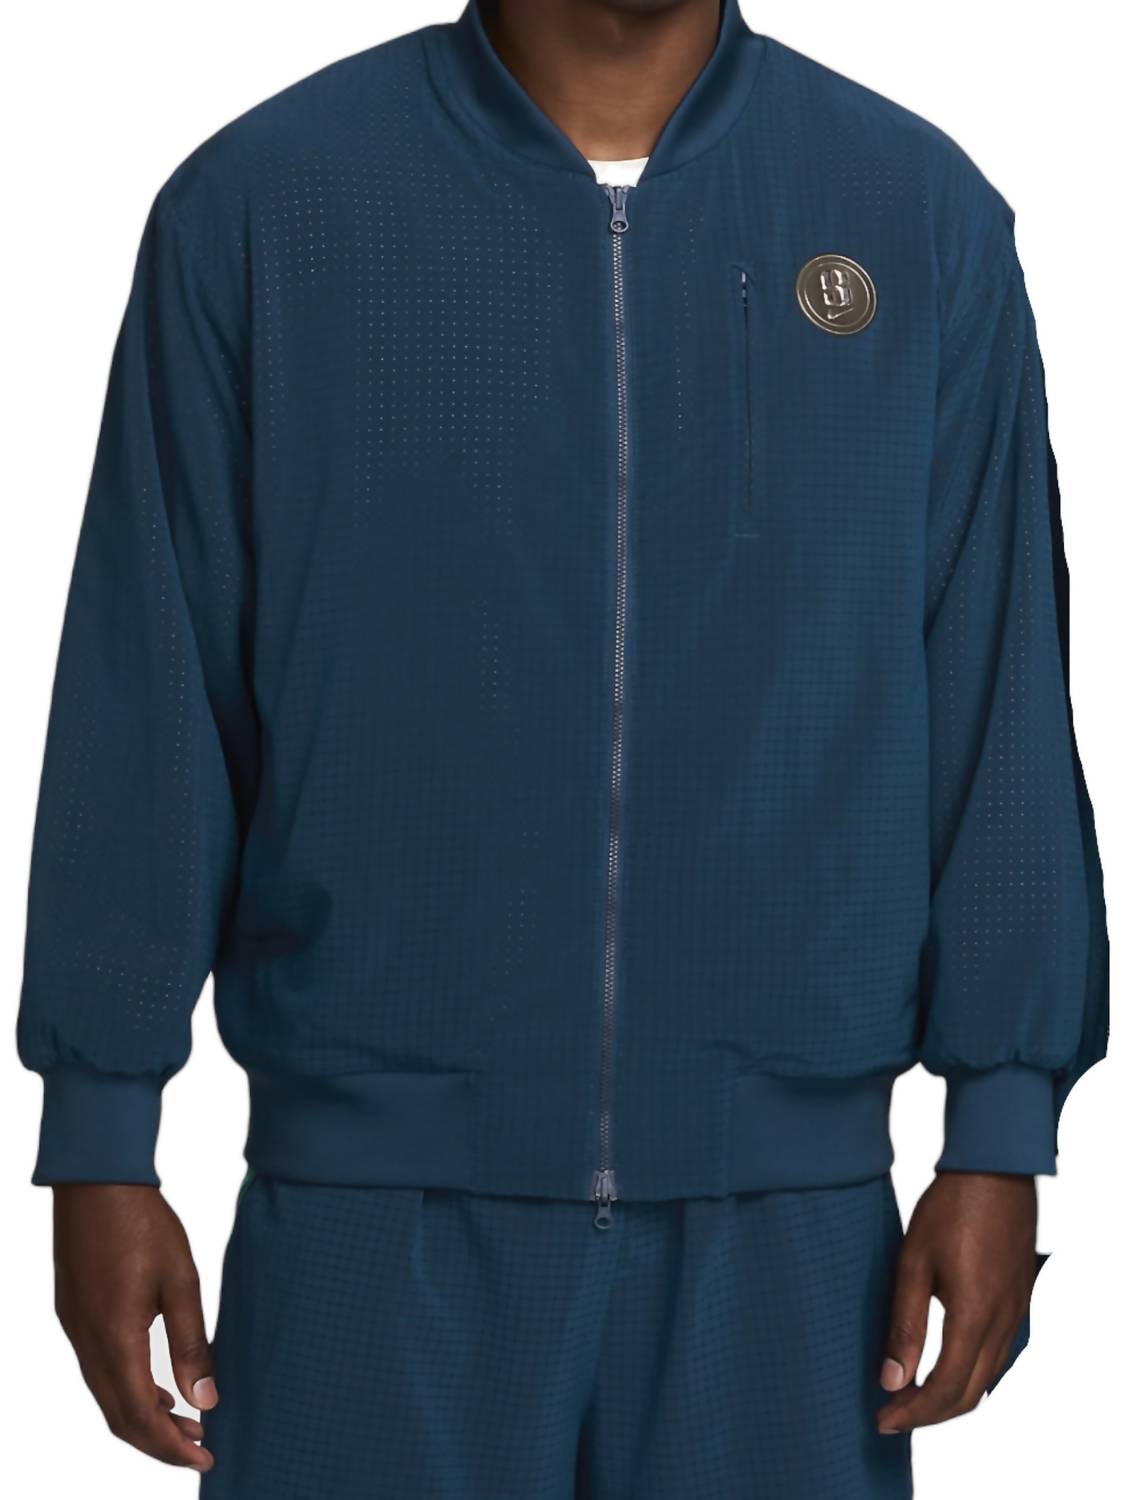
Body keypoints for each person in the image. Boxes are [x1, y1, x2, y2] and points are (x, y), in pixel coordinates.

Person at [18, 2, 1108, 1496]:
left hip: (788, 1250)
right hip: (366, 1231)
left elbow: (999, 688)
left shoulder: (915, 216)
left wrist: (1000, 1128)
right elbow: (148, 686)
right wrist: (100, 1132)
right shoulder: (266, 207)